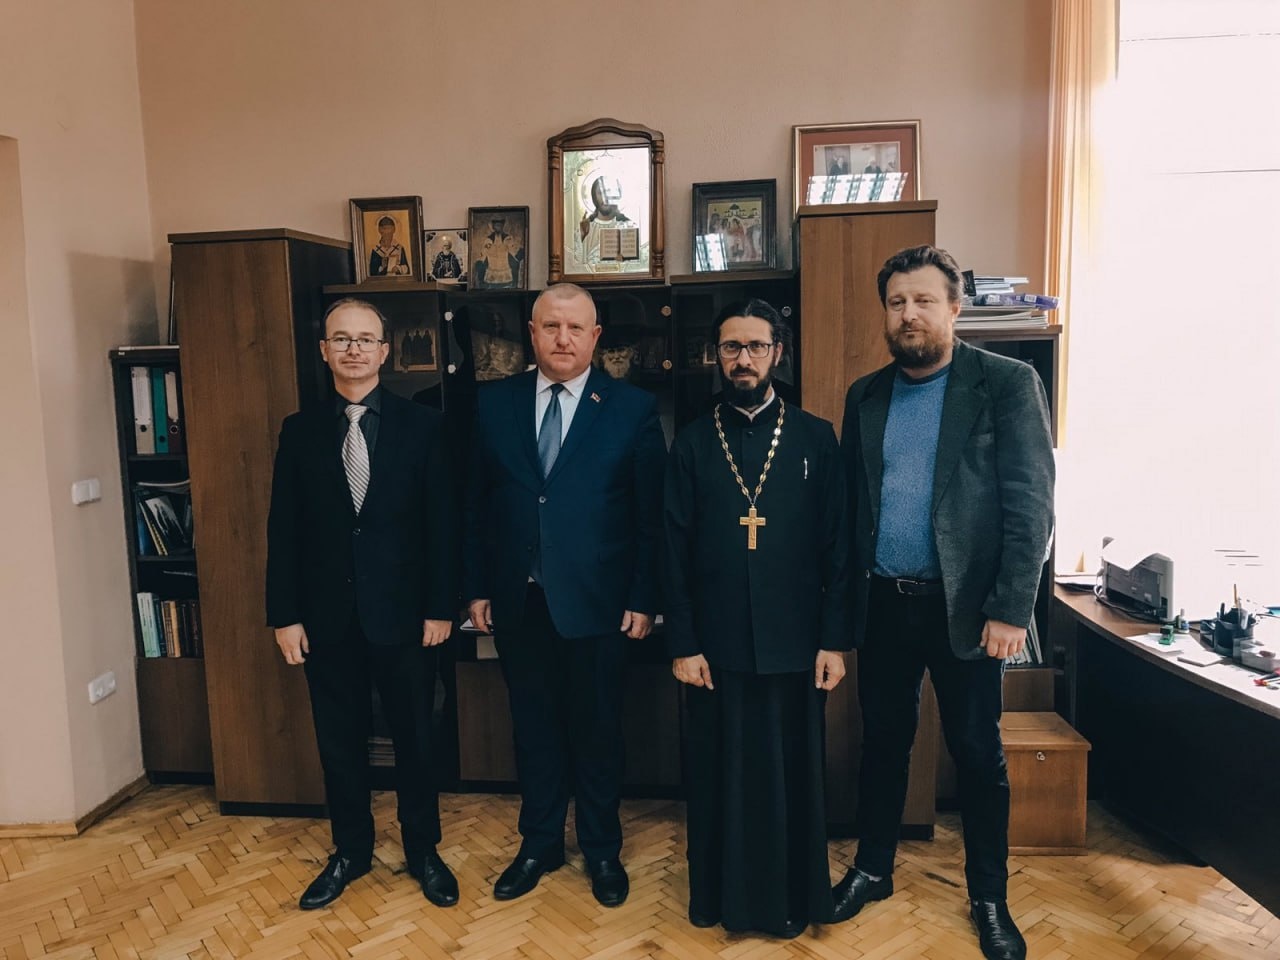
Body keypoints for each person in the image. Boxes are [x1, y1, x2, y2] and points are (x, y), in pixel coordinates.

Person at [834, 245, 1054, 960]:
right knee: (882, 744)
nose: (910, 314)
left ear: (954, 308)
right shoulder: (865, 396)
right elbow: (852, 508)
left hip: (970, 611)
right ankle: (873, 868)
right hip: (883, 603)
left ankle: (989, 895)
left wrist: (1011, 609)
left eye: (924, 300)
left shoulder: (1006, 383)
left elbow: (1031, 504)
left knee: (978, 754)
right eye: (897, 302)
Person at [463, 283, 666, 907]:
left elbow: (650, 516)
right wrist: (476, 587)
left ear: (595, 337)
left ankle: (602, 850)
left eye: (576, 328)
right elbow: (474, 505)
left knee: (598, 732)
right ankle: (540, 843)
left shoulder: (631, 408)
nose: (563, 338)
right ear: (531, 332)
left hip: (601, 604)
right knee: (533, 730)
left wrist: (643, 597)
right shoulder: (491, 403)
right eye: (551, 326)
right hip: (518, 600)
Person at [664, 299, 850, 939]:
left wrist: (834, 641)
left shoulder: (815, 437)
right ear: (715, 356)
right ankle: (719, 900)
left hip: (796, 644)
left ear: (778, 353)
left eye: (756, 347)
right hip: (714, 649)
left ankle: (794, 899)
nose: (742, 359)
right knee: (719, 777)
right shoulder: (692, 442)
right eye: (730, 347)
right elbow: (672, 550)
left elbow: (839, 548)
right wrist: (683, 643)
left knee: (792, 776)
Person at [266, 298, 459, 911]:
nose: (354, 349)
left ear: (384, 351)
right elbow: (284, 530)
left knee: (415, 739)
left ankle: (423, 850)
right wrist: (285, 615)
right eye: (341, 339)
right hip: (327, 619)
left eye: (365, 339)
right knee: (339, 742)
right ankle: (350, 850)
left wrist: (441, 607)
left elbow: (442, 525)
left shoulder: (424, 426)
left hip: (407, 618)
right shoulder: (299, 431)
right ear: (324, 351)